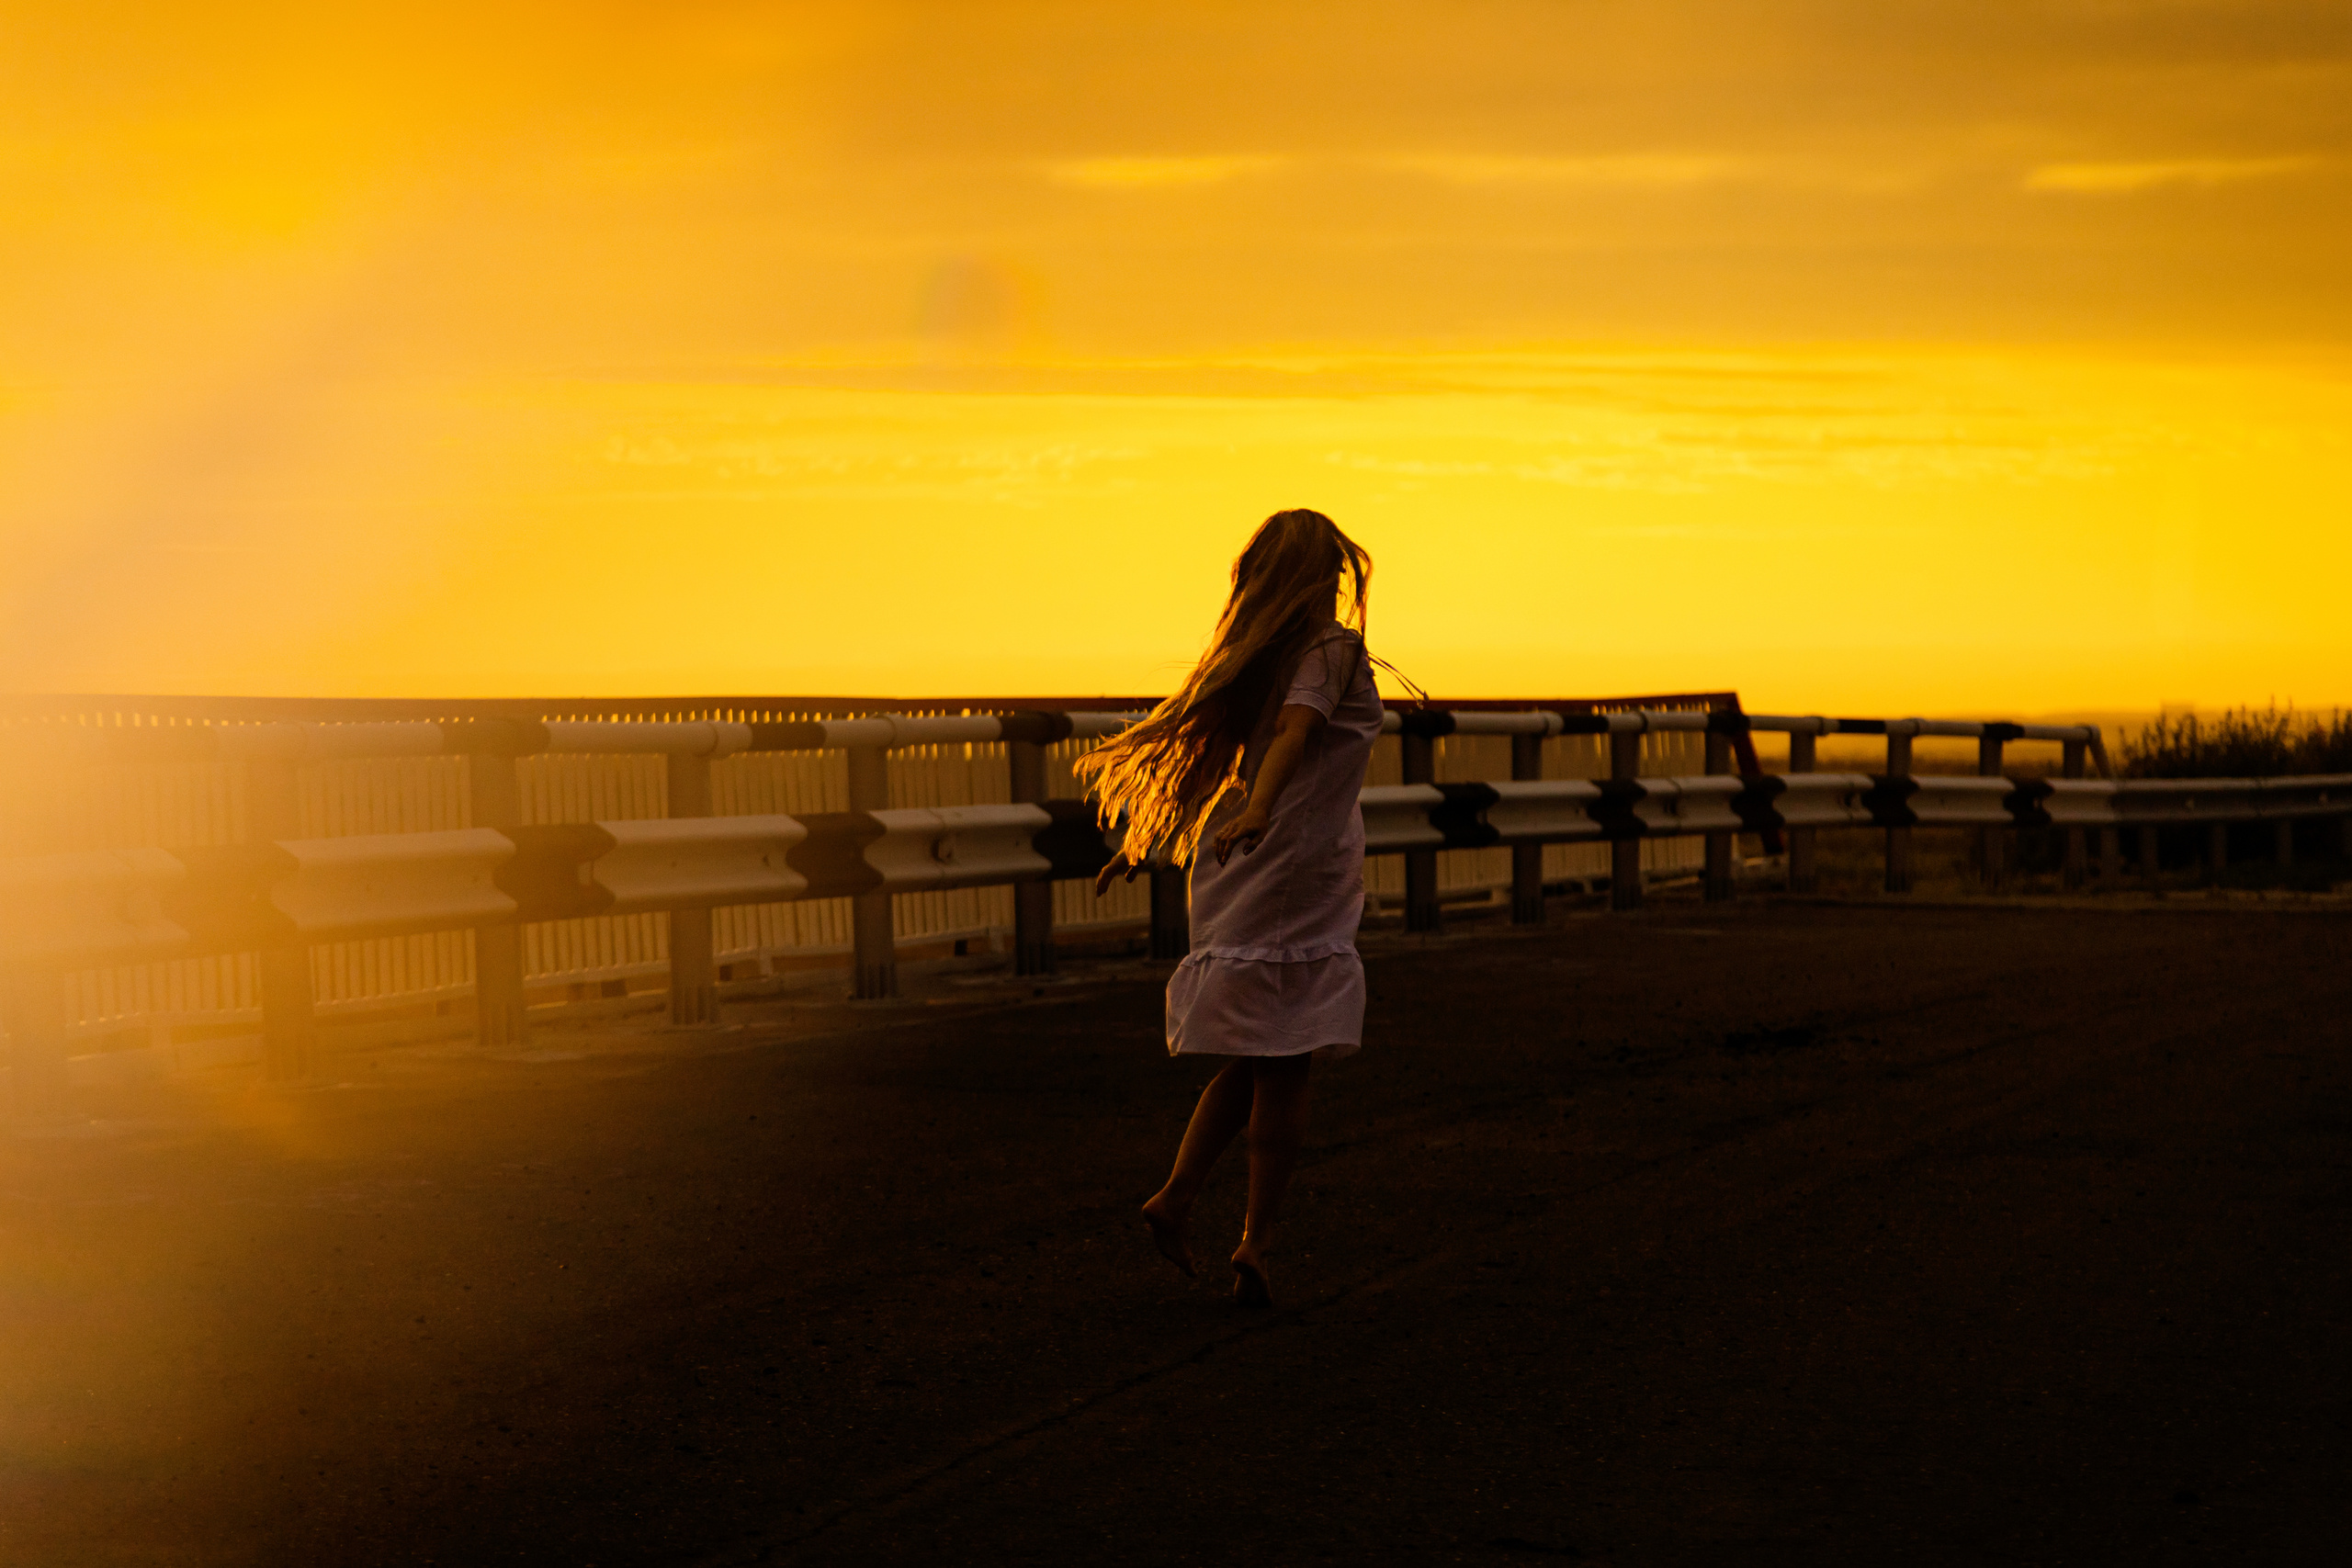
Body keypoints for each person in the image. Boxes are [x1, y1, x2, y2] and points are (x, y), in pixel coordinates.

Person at [1080, 508, 1389, 1308]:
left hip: (1251, 866)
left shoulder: (1270, 653)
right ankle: (1255, 1238)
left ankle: (1178, 1197)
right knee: (1288, 1060)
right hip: (1289, 868)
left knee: (1259, 1053)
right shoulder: (1329, 648)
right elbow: (1293, 733)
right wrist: (1257, 811)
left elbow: (1210, 757)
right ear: (1328, 573)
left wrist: (1147, 841)